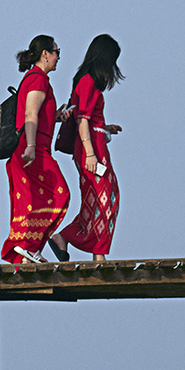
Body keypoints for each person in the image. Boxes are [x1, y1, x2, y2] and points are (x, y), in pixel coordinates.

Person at [1, 34, 71, 264]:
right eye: (57, 52)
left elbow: (37, 114)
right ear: (45, 54)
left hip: (34, 148)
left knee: (35, 197)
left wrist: (57, 116)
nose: (58, 58)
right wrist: (30, 147)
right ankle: (28, 245)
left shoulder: (36, 79)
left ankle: (30, 248)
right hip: (32, 150)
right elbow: (30, 115)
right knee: (59, 193)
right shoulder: (38, 79)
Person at [59, 34, 124, 261]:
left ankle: (68, 238)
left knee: (97, 197)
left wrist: (105, 127)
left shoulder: (85, 80)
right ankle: (97, 252)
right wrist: (90, 154)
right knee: (106, 197)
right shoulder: (87, 81)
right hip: (91, 150)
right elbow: (82, 119)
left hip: (93, 146)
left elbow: (86, 117)